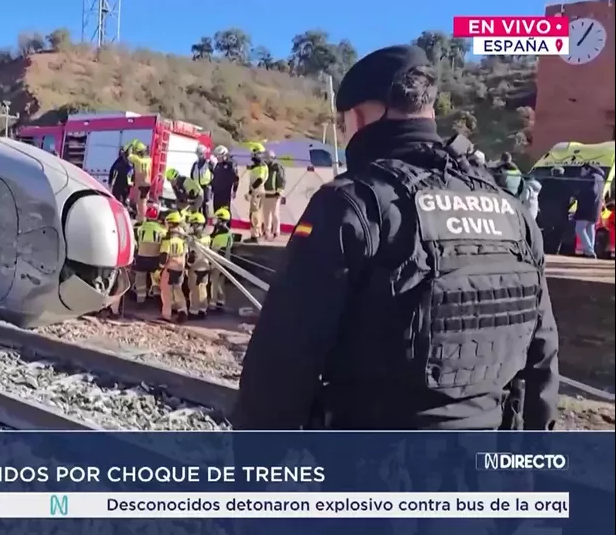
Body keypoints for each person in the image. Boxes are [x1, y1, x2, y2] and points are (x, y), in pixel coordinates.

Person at [232, 45, 559, 431]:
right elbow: (542, 355)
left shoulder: (352, 203)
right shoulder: (511, 211)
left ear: (358, 117)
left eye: (344, 125)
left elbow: (283, 359)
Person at [158, 211, 189, 323]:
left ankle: (166, 315)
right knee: (178, 290)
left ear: (171, 223)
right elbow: (187, 254)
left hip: (169, 268)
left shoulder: (168, 239)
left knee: (166, 292)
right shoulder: (183, 238)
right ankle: (183, 311)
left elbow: (164, 256)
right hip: (180, 268)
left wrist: (160, 267)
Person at [132, 204, 166, 303]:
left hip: (141, 257)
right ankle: (157, 297)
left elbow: (136, 238)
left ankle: (140, 298)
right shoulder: (162, 229)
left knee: (140, 277)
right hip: (155, 258)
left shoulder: (140, 227)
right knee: (155, 278)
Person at [573, 164, 605, 258]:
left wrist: (577, 195)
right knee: (590, 229)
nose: (581, 172)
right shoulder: (600, 179)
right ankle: (590, 251)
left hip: (586, 208)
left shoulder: (591, 178)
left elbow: (591, 192)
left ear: (587, 169)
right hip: (595, 209)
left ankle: (589, 250)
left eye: (582, 170)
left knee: (579, 229)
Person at [538, 166, 570, 254]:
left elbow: (541, 196)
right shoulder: (565, 183)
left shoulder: (546, 182)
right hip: (561, 211)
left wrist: (542, 207)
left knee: (547, 229)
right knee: (559, 231)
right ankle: (555, 249)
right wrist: (567, 207)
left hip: (547, 210)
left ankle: (545, 247)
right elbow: (568, 198)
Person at [185, 212, 212, 319]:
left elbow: (191, 254)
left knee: (194, 290)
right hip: (205, 266)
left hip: (195, 267)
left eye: (192, 224)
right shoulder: (207, 237)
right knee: (202, 288)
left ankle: (193, 311)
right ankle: (203, 309)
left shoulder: (191, 239)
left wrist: (187, 265)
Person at [208, 207, 234, 312]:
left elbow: (217, 250)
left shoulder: (221, 235)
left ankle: (213, 302)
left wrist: (212, 263)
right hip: (225, 261)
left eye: (217, 219)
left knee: (214, 281)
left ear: (221, 220)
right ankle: (221, 300)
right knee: (220, 282)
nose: (215, 221)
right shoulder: (227, 232)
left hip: (218, 261)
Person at [245, 144, 269, 243]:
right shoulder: (259, 166)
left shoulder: (261, 167)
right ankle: (258, 233)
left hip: (257, 191)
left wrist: (250, 192)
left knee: (254, 214)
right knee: (256, 213)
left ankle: (255, 236)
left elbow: (259, 180)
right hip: (258, 191)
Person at [262, 150, 286, 241]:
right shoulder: (264, 167)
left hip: (274, 194)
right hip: (265, 193)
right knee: (266, 214)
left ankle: (276, 231)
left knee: (275, 214)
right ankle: (267, 231)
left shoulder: (277, 167)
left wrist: (279, 192)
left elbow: (282, 180)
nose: (266, 159)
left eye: (268, 158)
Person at [127, 141, 152, 221]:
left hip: (141, 184)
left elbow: (129, 156)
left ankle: (142, 218)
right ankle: (143, 216)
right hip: (147, 183)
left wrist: (130, 146)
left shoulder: (137, 160)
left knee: (141, 202)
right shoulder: (149, 159)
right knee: (143, 201)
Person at [210, 146, 239, 213]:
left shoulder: (230, 165)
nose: (217, 158)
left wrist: (234, 191)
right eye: (216, 156)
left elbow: (236, 179)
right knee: (216, 211)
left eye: (218, 156)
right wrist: (212, 189)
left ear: (224, 155)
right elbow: (215, 178)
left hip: (225, 194)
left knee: (225, 212)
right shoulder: (217, 165)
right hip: (217, 193)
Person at [108, 141, 134, 207]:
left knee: (123, 201)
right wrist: (110, 182)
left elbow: (133, 174)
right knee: (118, 201)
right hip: (119, 186)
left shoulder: (130, 162)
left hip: (126, 187)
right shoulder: (119, 162)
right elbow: (112, 171)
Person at [190, 146, 214, 217]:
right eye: (198, 154)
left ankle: (205, 220)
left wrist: (212, 184)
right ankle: (198, 219)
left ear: (204, 153)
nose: (199, 155)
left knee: (205, 204)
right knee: (198, 204)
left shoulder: (209, 163)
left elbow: (215, 174)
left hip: (206, 187)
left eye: (201, 153)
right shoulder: (195, 164)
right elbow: (192, 175)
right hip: (197, 187)